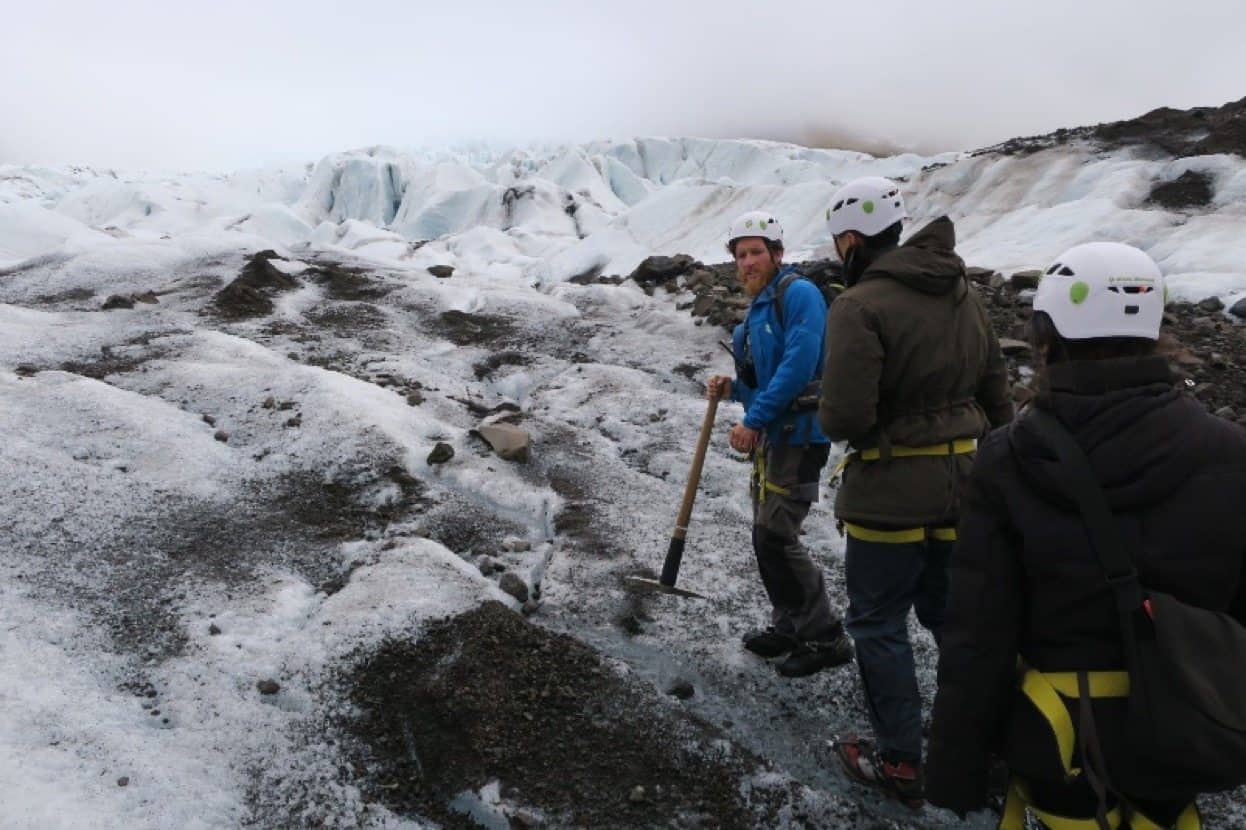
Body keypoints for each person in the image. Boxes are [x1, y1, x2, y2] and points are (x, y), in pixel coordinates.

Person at [926, 242, 1246, 828]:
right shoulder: (1231, 452)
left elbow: (979, 635)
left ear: (1046, 337)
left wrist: (956, 768)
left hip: (1056, 736)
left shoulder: (1010, 458)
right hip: (1186, 724)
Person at [816, 177, 1013, 805]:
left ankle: (900, 761)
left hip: (890, 490)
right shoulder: (963, 292)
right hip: (965, 483)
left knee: (877, 622)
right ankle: (988, 749)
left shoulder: (860, 304)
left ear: (851, 239)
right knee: (956, 618)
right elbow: (996, 390)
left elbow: (845, 417)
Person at [707, 210, 854, 678]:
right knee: (765, 537)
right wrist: (733, 390)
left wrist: (753, 419)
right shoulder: (753, 316)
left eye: (756, 252)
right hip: (776, 438)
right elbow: (762, 381)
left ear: (777, 253)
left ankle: (827, 635)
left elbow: (800, 364)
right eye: (741, 254)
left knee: (777, 535)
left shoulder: (801, 295)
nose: (747, 262)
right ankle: (789, 624)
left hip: (802, 436)